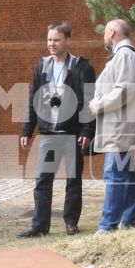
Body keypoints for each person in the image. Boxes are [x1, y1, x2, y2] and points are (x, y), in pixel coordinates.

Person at [18, 22, 96, 236]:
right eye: (50, 39)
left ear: (68, 41)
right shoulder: (41, 66)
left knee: (73, 180)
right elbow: (33, 99)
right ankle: (39, 226)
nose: (52, 44)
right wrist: (27, 130)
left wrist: (88, 131)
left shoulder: (82, 67)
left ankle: (71, 222)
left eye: (57, 40)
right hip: (48, 134)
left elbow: (90, 101)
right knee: (43, 180)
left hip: (73, 134)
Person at [87, 18, 135, 232]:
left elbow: (124, 91)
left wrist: (98, 105)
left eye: (105, 32)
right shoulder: (123, 55)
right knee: (126, 174)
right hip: (118, 126)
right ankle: (131, 221)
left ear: (112, 32)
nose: (104, 36)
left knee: (115, 175)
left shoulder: (125, 55)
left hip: (119, 128)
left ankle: (108, 225)